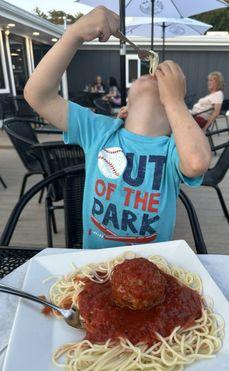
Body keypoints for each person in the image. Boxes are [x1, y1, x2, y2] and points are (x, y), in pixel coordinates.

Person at [24, 6, 211, 249]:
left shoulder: (172, 149)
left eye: (171, 104)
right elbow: (37, 95)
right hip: (95, 267)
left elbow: (196, 162)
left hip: (149, 268)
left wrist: (175, 101)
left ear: (174, 121)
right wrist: (74, 35)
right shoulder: (101, 132)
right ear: (124, 111)